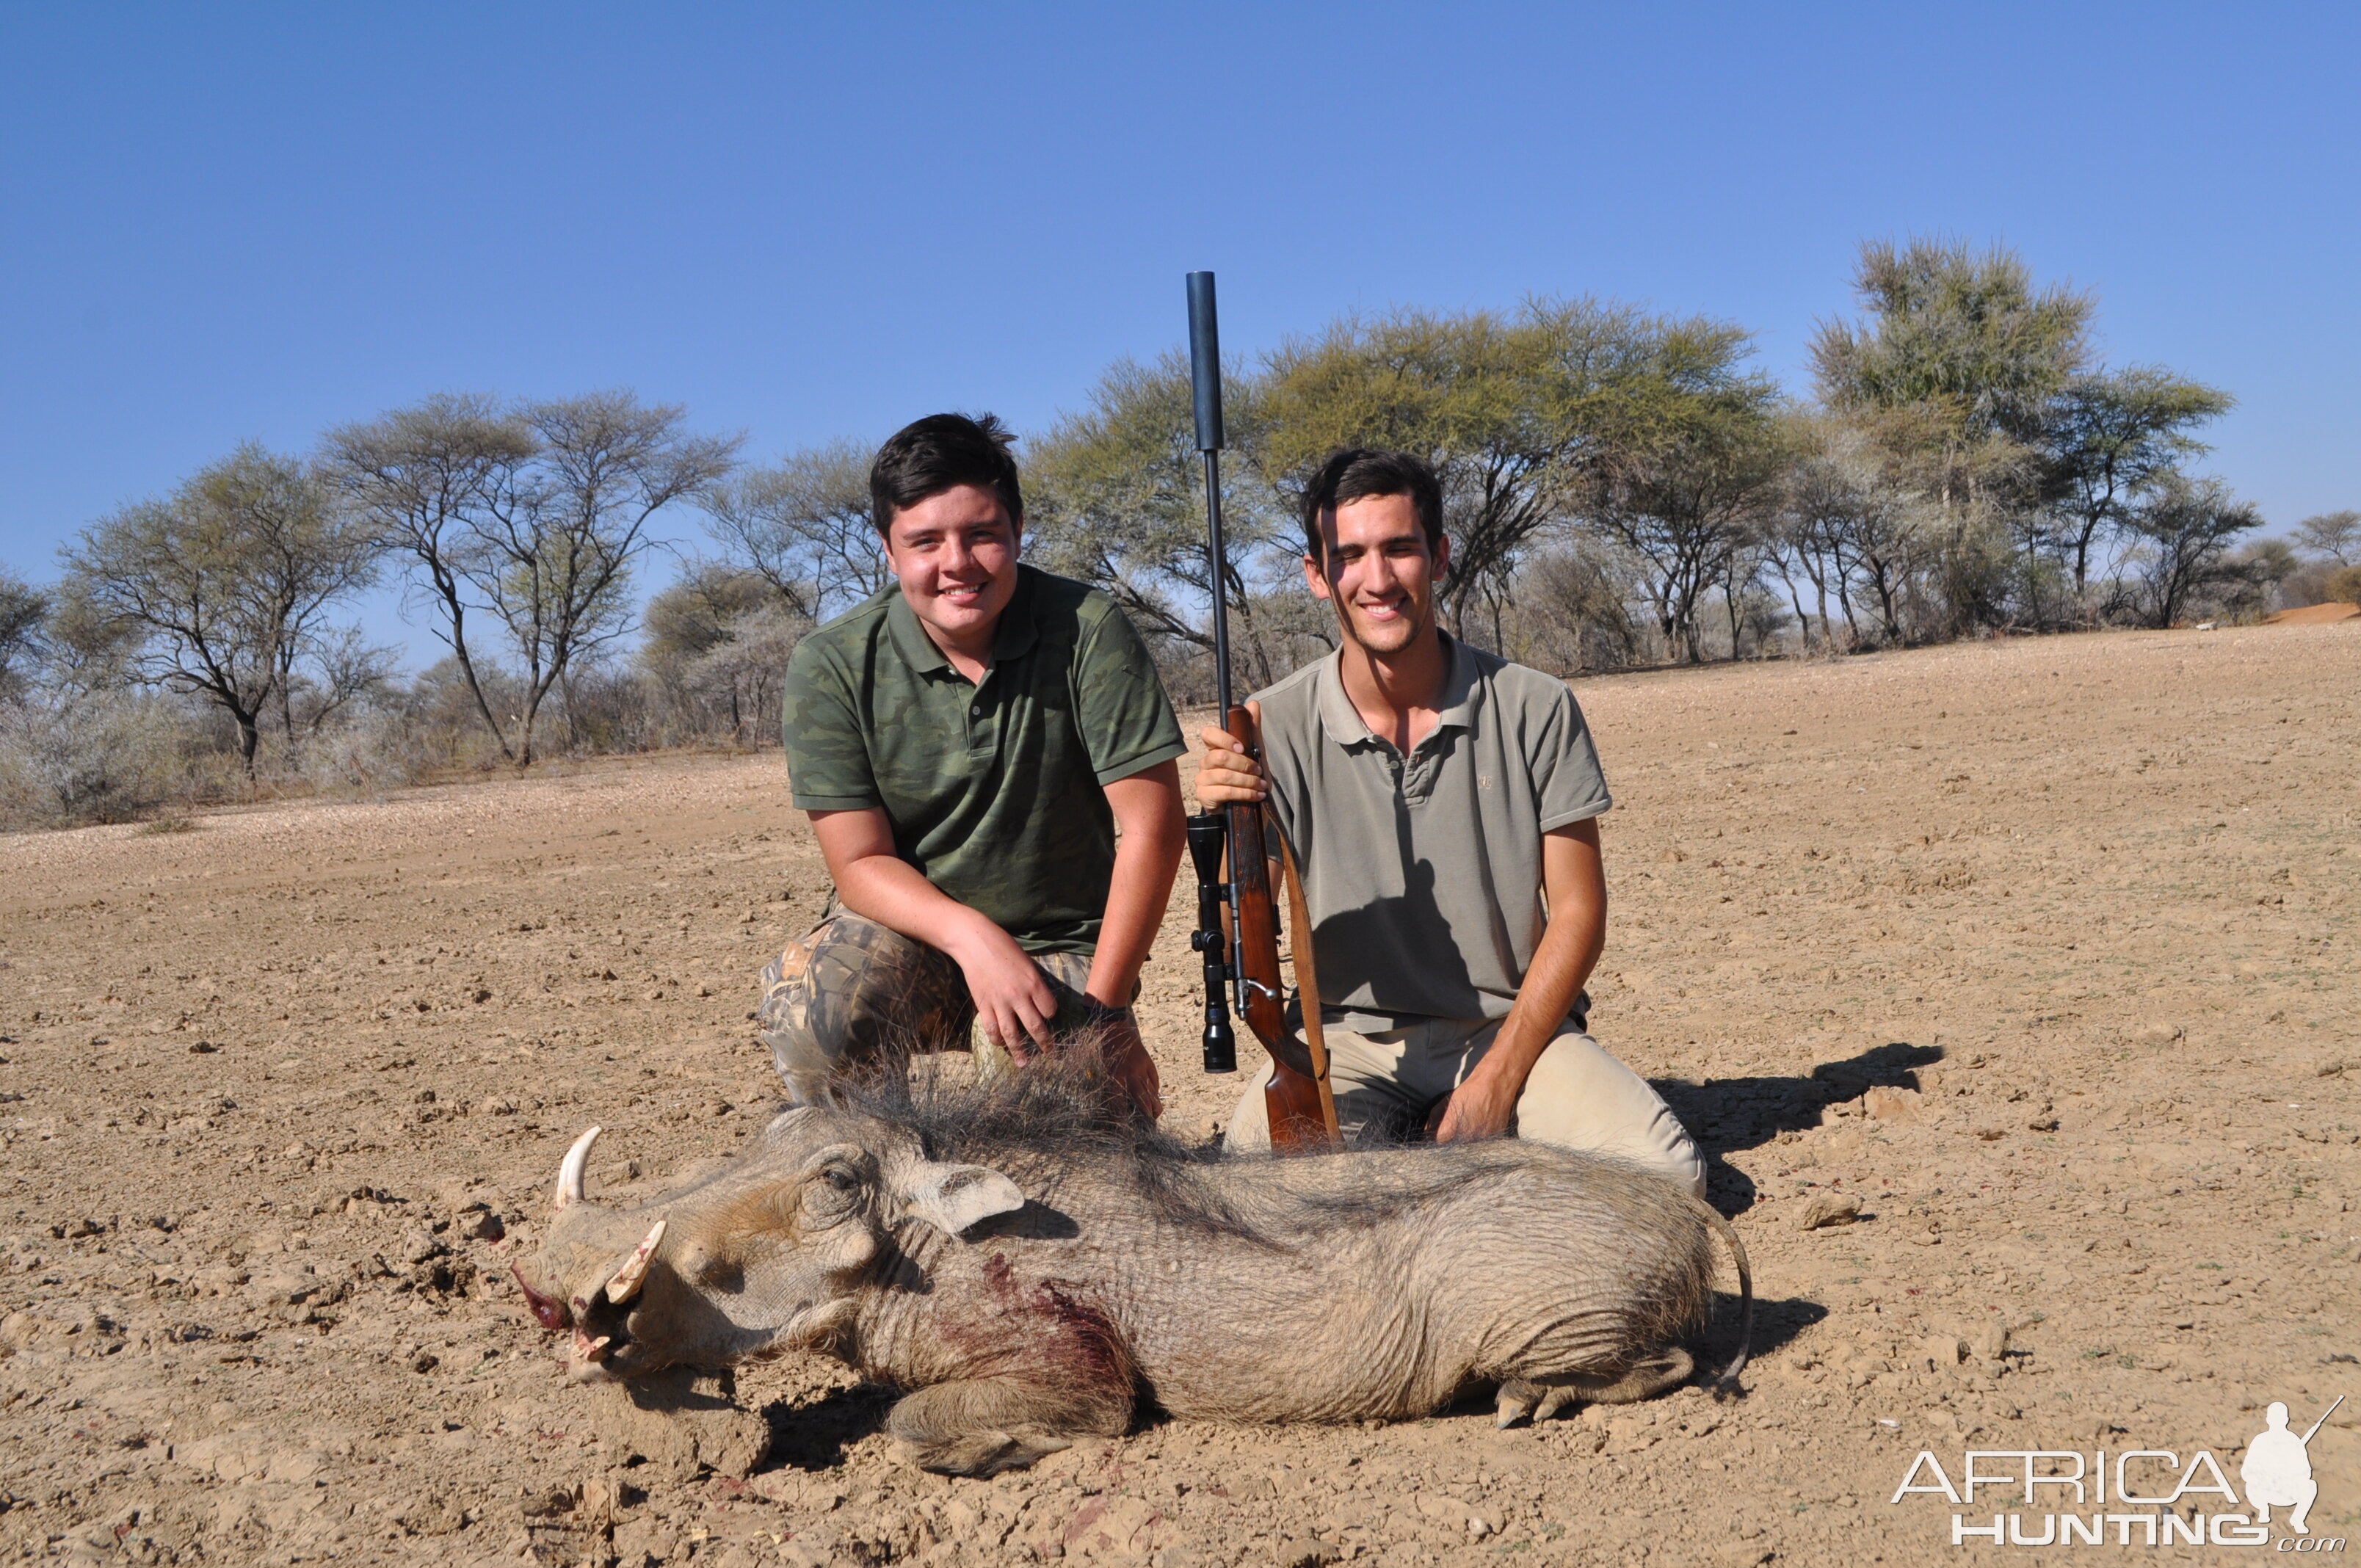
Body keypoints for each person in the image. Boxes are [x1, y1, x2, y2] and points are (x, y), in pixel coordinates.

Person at [1194, 447, 1702, 1193]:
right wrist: (1229, 817)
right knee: (1261, 1194)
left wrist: (1497, 1081)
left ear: (1438, 557)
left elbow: (1579, 912)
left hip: (1510, 1028)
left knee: (1666, 1176)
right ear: (1317, 575)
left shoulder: (1536, 705)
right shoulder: (1271, 724)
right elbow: (1250, 937)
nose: (1378, 579)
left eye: (1399, 548)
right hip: (1345, 1046)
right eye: (1350, 556)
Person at [761, 413, 1187, 1117]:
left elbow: (1153, 829)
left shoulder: (1089, 628)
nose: (956, 563)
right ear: (888, 551)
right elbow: (859, 863)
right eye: (925, 541)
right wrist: (974, 938)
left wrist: (1108, 1020)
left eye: (982, 535)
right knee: (816, 1019)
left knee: (1054, 1096)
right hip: (916, 937)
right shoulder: (831, 660)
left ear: (1018, 532)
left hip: (1062, 946)